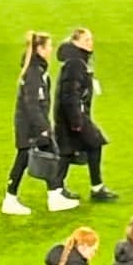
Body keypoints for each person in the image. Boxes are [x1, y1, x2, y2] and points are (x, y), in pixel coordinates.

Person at [4, 32, 76, 216]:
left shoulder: (37, 69)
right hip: (31, 125)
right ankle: (13, 199)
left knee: (46, 154)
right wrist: (43, 127)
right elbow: (32, 103)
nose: (51, 49)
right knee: (26, 158)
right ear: (40, 49)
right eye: (48, 46)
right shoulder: (34, 72)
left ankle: (54, 195)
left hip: (31, 123)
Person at [54, 28, 118, 204]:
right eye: (86, 39)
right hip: (74, 115)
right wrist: (76, 121)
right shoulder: (76, 63)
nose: (91, 42)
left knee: (69, 150)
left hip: (72, 114)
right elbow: (70, 94)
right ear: (75, 42)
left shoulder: (78, 60)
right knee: (91, 143)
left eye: (91, 39)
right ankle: (93, 188)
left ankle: (58, 189)